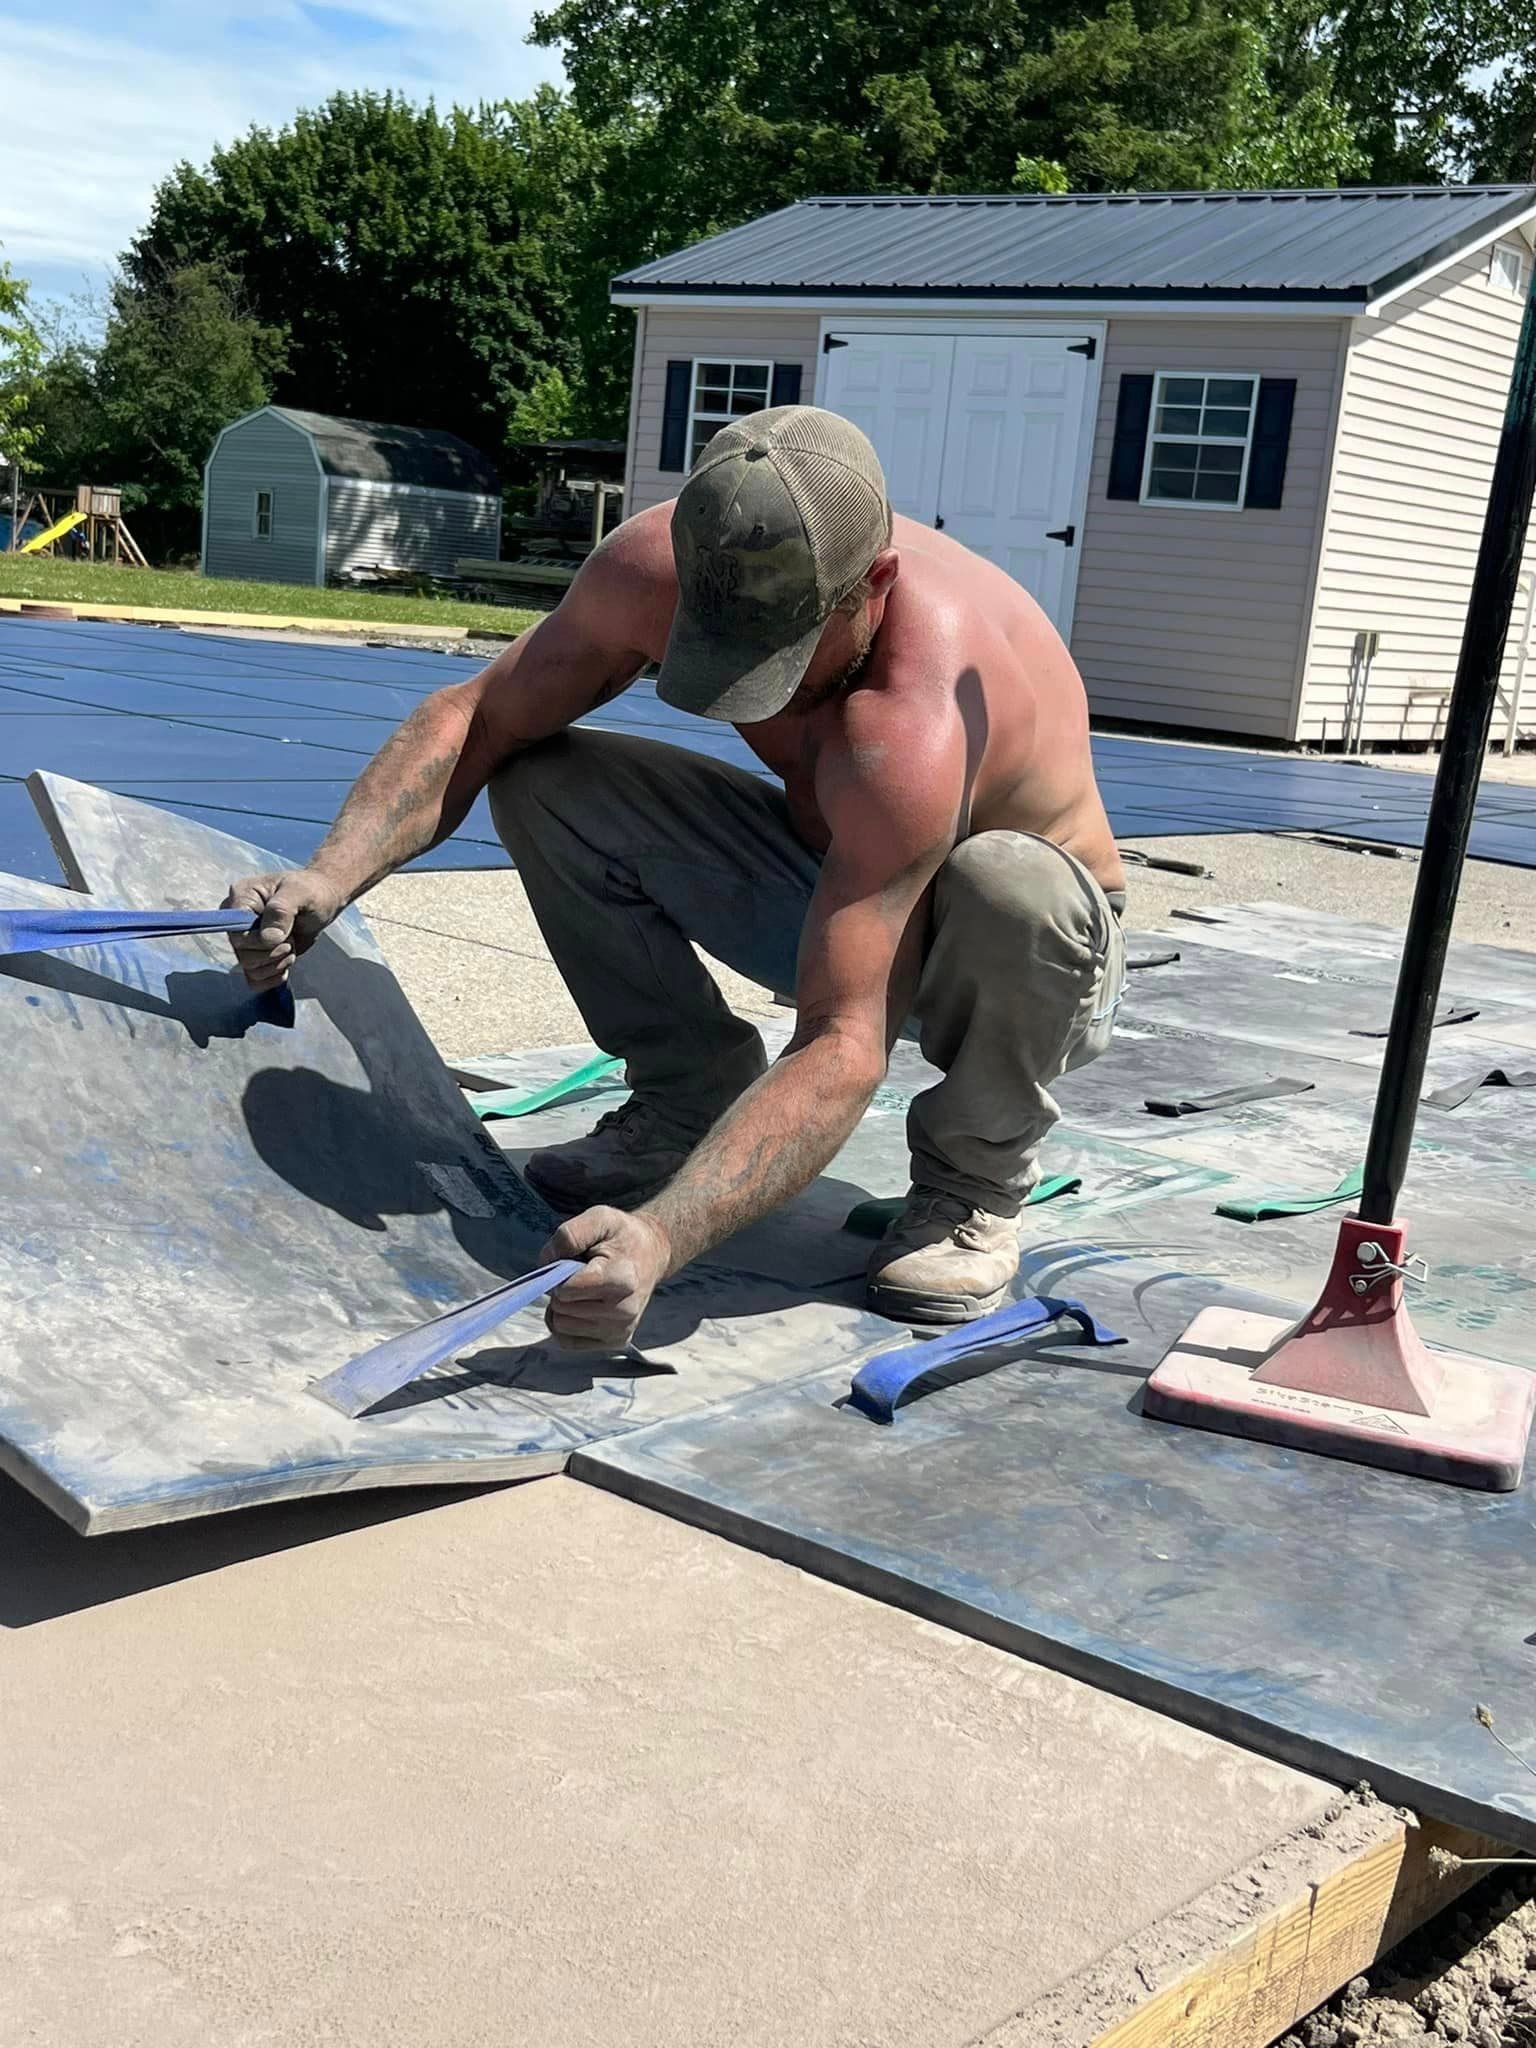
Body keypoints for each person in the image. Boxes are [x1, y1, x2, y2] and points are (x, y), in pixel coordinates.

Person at [226, 406, 1125, 1348]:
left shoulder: (914, 720)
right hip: (844, 867)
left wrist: (663, 1235)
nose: (757, 679)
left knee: (1007, 881)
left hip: (1026, 960)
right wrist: (329, 875)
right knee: (549, 781)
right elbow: (478, 719)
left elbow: (843, 1039)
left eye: (780, 650)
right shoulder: (650, 567)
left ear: (875, 584)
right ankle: (687, 1095)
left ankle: (972, 1183)